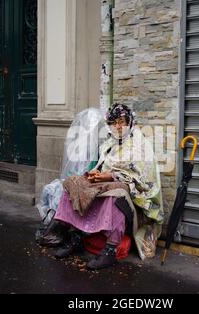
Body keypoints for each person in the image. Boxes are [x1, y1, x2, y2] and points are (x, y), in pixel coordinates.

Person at [53, 104, 164, 270]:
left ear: (130, 122)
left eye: (122, 122)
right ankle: (75, 237)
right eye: (114, 123)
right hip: (107, 184)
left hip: (134, 196)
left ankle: (110, 250)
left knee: (116, 194)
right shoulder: (110, 143)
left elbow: (143, 179)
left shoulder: (141, 144)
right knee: (73, 183)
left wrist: (111, 176)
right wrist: (95, 172)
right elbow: (102, 165)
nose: (118, 126)